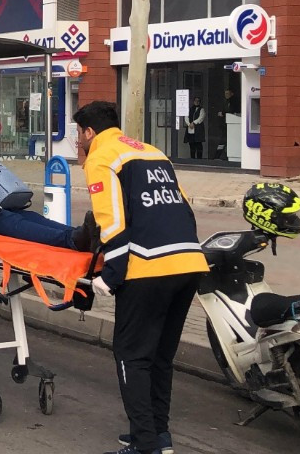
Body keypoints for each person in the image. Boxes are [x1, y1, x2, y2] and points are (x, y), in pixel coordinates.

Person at [74, 101, 207, 454]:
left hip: (148, 268)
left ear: (89, 132)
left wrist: (111, 276)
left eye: (79, 134)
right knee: (160, 356)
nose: (79, 141)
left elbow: (112, 222)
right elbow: (183, 206)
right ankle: (157, 435)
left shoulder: (101, 158)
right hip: (188, 263)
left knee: (131, 355)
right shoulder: (152, 152)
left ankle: (145, 444)